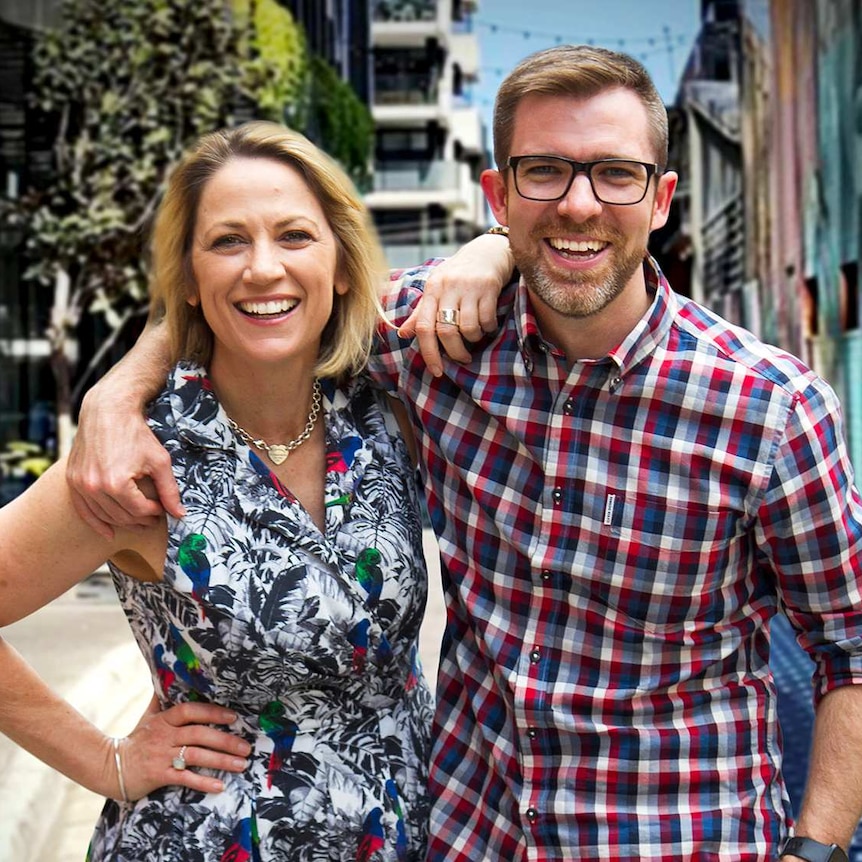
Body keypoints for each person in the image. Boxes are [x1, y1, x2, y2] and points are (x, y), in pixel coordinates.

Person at [66, 46, 862, 862]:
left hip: (683, 838)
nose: (581, 204)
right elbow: (264, 294)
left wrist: (816, 849)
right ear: (499, 195)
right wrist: (118, 394)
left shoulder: (772, 411)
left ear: (660, 199)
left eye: (616, 174)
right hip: (473, 836)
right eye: (544, 171)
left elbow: (851, 650)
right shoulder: (433, 341)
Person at [0, 120, 441, 861]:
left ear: (340, 263)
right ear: (192, 283)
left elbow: (517, 272)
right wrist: (103, 759)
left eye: (295, 235)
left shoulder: (388, 405)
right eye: (228, 241)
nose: (262, 268)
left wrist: (495, 246)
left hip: (409, 835)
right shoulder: (138, 457)